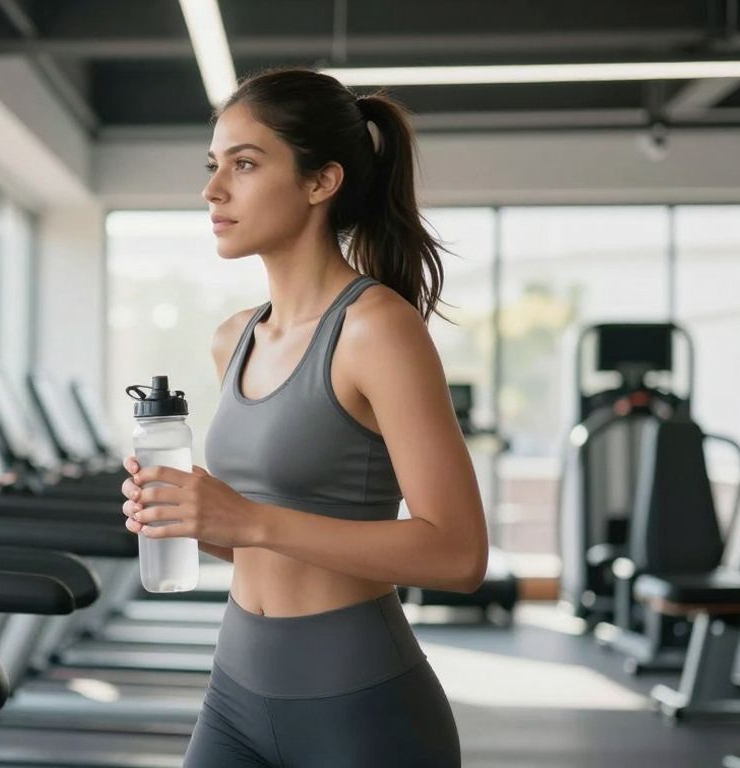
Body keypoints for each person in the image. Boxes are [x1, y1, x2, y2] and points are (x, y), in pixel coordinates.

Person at [120, 68, 488, 767]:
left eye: (246, 164)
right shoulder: (233, 338)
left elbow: (459, 554)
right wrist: (192, 518)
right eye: (213, 165)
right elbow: (271, 543)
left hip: (361, 706)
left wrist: (248, 519)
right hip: (234, 692)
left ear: (321, 182)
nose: (213, 190)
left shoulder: (377, 329)